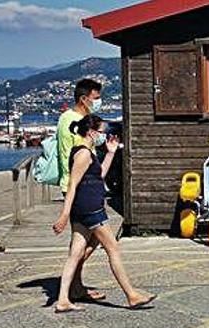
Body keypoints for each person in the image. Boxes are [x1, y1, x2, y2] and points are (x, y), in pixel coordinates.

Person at [52, 115, 156, 312]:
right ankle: (132, 295)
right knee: (113, 249)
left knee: (75, 254)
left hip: (85, 208)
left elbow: (98, 176)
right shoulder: (82, 154)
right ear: (91, 132)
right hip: (91, 209)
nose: (104, 135)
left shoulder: (87, 152)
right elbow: (72, 184)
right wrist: (64, 215)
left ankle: (63, 299)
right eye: (101, 132)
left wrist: (110, 153)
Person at [56, 79, 123, 303]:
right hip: (80, 190)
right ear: (84, 99)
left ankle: (73, 288)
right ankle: (75, 286)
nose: (98, 102)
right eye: (95, 98)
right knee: (97, 242)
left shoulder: (68, 119)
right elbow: (79, 161)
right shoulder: (76, 124)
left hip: (81, 188)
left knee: (83, 243)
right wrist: (65, 212)